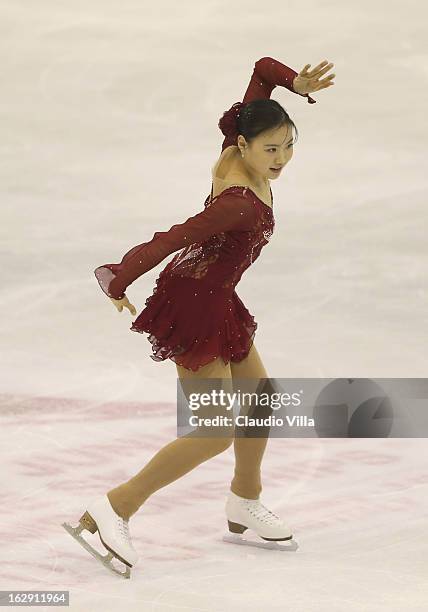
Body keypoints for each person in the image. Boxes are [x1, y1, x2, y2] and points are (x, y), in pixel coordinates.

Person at [62, 56, 335, 578]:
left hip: (215, 294)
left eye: (288, 146)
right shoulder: (237, 203)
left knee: (260, 396)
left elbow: (260, 73)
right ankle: (113, 509)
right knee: (213, 430)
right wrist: (119, 277)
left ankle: (244, 499)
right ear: (246, 145)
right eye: (271, 149)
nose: (281, 158)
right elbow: (175, 238)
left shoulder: (237, 145)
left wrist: (293, 84)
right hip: (193, 305)